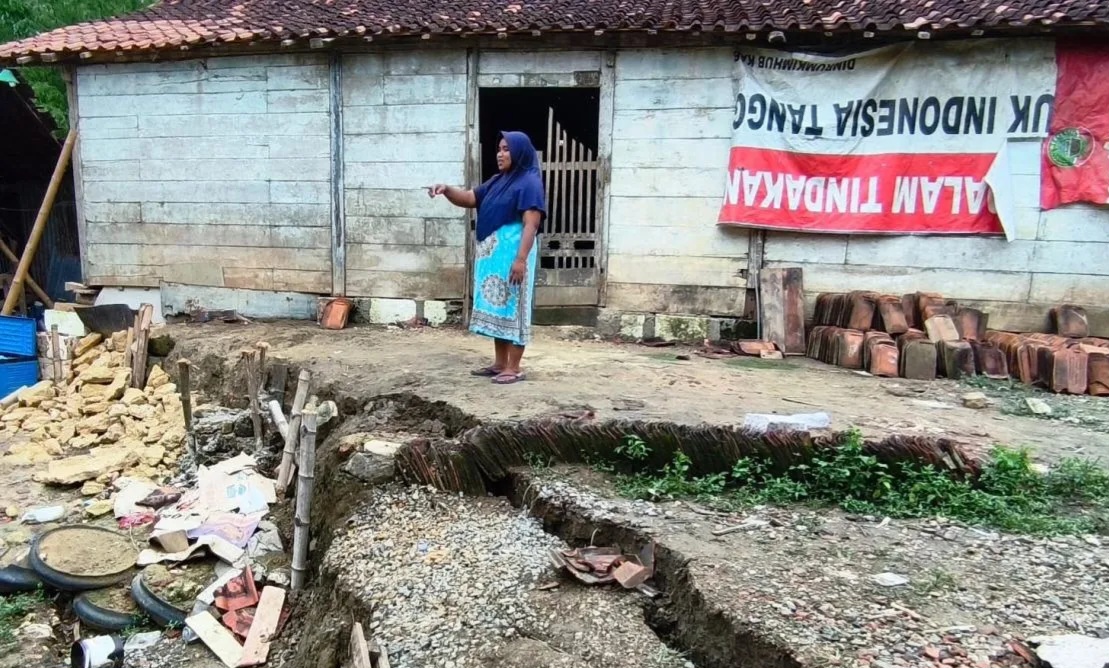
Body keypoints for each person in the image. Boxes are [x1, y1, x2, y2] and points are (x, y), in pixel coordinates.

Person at [428, 131, 546, 385]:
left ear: (520, 152)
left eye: (506, 149)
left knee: (515, 309)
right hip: (495, 261)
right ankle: (500, 363)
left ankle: (514, 368)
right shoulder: (497, 181)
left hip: (514, 257)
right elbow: (470, 198)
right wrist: (447, 190)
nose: (500, 154)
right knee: (499, 308)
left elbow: (530, 224)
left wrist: (521, 260)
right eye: (499, 148)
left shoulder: (529, 182)